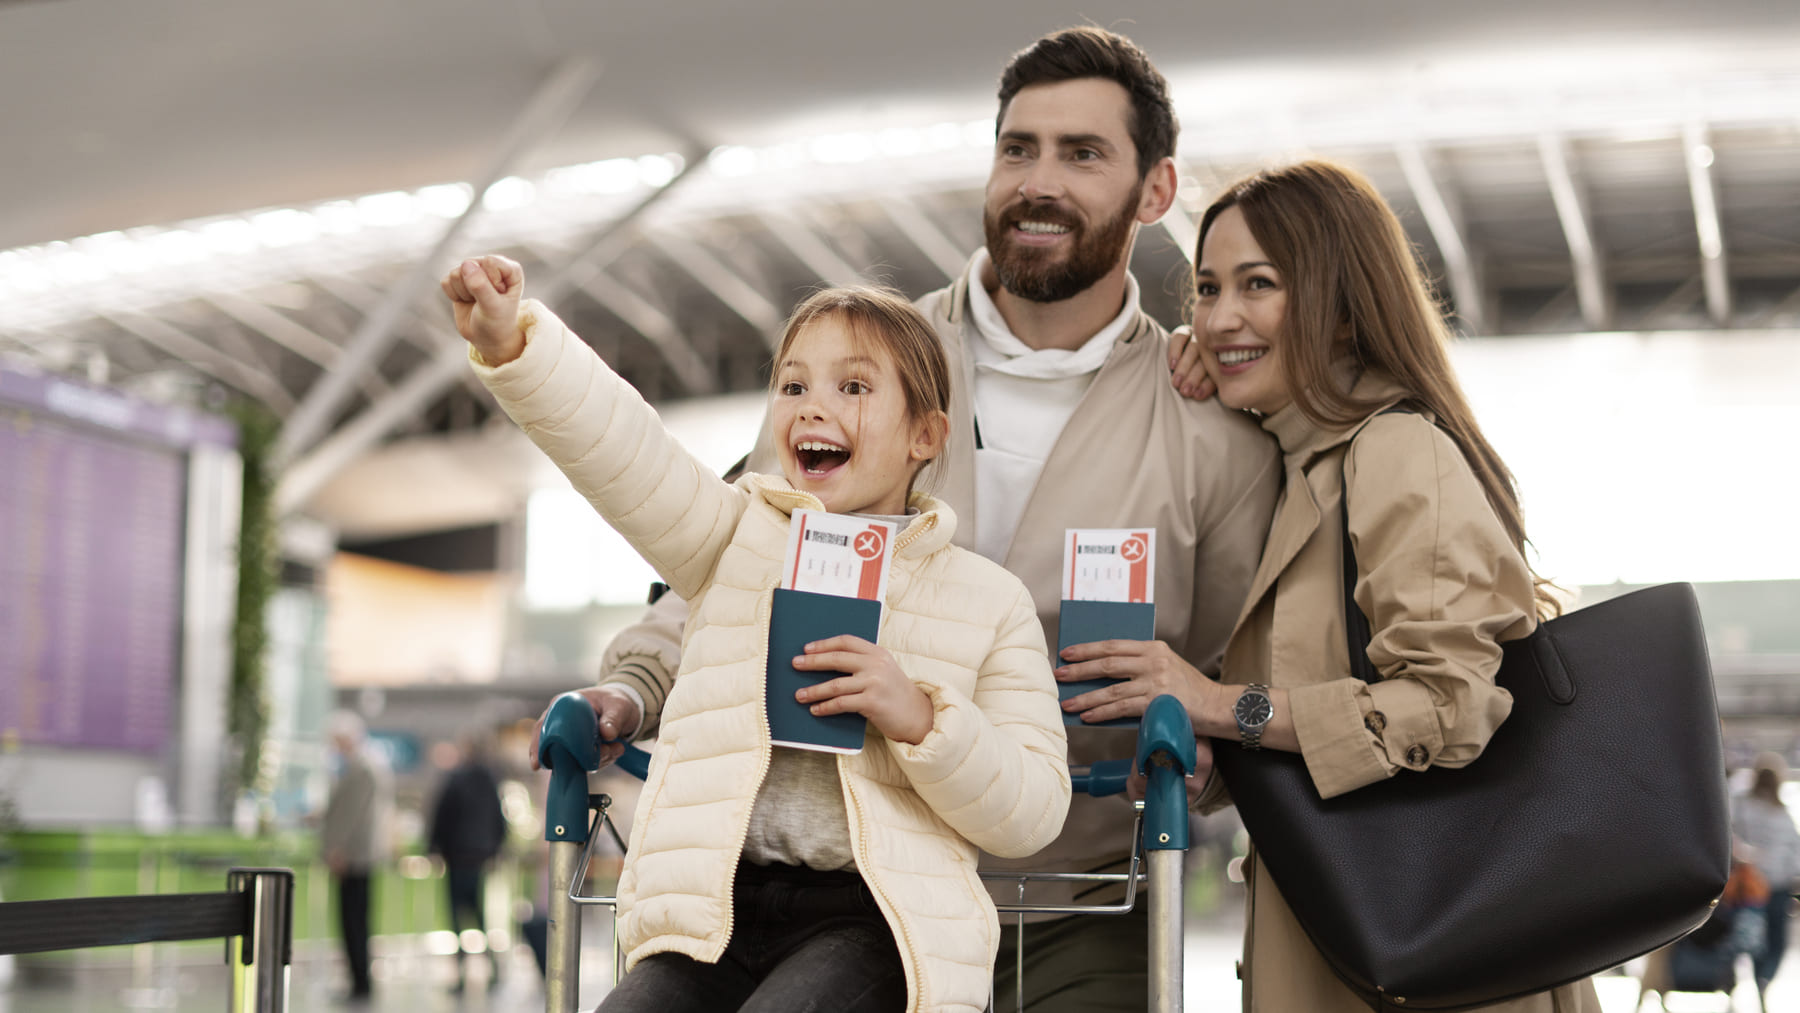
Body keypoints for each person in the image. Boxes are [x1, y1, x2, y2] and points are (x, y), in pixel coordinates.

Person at [540, 27, 1280, 1011]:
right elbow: (735, 557)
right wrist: (634, 686)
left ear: (1156, 191)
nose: (1039, 180)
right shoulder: (861, 368)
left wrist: (1205, 740)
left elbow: (1247, 666)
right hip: (850, 886)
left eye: (1083, 152)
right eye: (1018, 148)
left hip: (1079, 906)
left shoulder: (1208, 430)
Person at [444, 256, 1072, 1013]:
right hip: (716, 911)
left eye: (854, 386)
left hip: (877, 922)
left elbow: (1034, 806)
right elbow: (625, 452)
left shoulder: (987, 600)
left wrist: (921, 716)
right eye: (794, 384)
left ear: (926, 434)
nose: (812, 406)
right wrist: (518, 344)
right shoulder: (735, 538)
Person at [1068, 159, 1600, 1011]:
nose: (1218, 316)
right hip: (1355, 941)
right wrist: (1209, 762)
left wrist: (1219, 704)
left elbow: (1444, 707)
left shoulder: (1393, 451)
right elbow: (1316, 703)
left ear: (1344, 309)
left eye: (1259, 284)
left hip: (1436, 958)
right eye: (1206, 289)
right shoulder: (1296, 469)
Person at [427, 730, 509, 993]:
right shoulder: (489, 780)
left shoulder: (455, 779)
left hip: (458, 856)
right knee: (479, 914)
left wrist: (433, 848)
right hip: (479, 856)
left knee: (457, 916)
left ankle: (462, 974)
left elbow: (441, 817)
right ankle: (492, 969)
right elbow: (499, 818)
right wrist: (495, 848)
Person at [320, 710, 392, 1004]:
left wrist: (338, 849)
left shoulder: (363, 767)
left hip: (356, 858)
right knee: (352, 922)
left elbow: (353, 816)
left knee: (354, 922)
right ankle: (357, 980)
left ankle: (361, 982)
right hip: (355, 856)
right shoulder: (362, 765)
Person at [1735, 752, 1800, 1011]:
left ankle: (1758, 979)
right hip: (1770, 885)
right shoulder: (1779, 812)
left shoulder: (1746, 806)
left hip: (1756, 885)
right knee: (1773, 940)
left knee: (1752, 938)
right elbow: (1795, 850)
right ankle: (1763, 978)